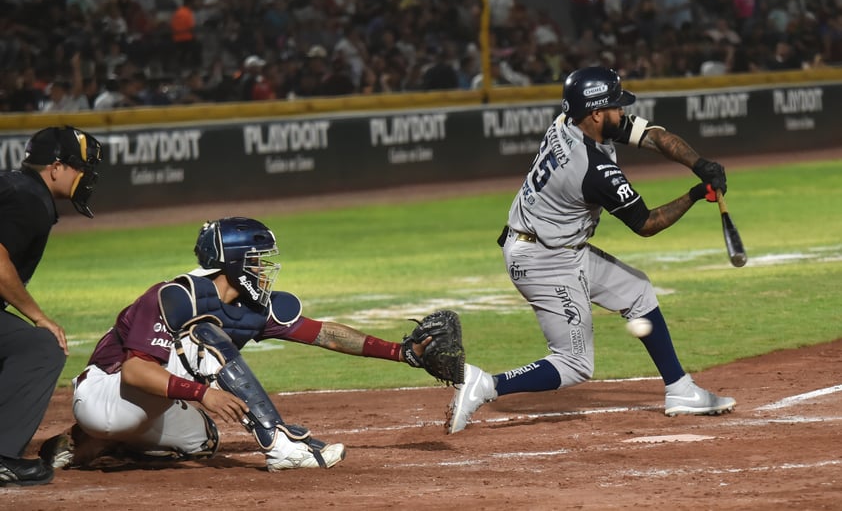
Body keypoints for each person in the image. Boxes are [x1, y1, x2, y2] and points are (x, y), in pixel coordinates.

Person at [446, 66, 736, 434]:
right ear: (597, 113)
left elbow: (654, 136)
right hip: (542, 259)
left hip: (554, 244)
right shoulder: (593, 170)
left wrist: (700, 165)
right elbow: (645, 224)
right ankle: (486, 385)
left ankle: (680, 390)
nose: (623, 112)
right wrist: (696, 194)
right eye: (615, 106)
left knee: (637, 290)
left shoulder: (569, 120)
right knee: (575, 363)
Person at [39, 217, 434, 472]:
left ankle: (86, 444)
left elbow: (323, 333)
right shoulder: (173, 295)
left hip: (144, 408)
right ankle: (280, 444)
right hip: (103, 393)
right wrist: (202, 394)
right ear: (234, 261)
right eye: (258, 259)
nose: (264, 269)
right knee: (205, 335)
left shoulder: (251, 308)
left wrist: (401, 352)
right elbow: (135, 370)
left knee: (203, 441)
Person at [0, 126, 103, 486]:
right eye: (81, 168)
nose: (87, 177)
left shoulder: (14, 186)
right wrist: (39, 317)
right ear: (56, 168)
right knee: (41, 346)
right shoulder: (30, 197)